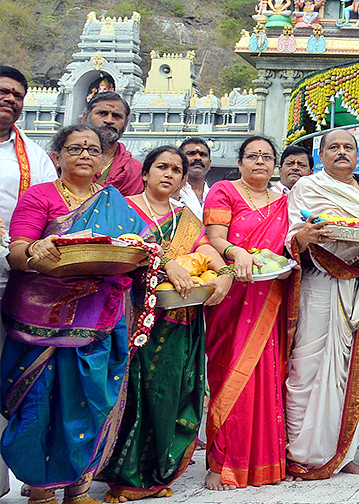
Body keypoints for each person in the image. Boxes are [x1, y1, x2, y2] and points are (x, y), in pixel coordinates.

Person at [1, 124, 147, 504]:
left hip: (101, 317)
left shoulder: (116, 201)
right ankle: (42, 489)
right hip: (42, 318)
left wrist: (145, 253)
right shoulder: (40, 197)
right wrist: (38, 249)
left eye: (93, 149)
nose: (85, 154)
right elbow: (17, 254)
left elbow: (141, 249)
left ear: (103, 159)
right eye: (75, 148)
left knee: (94, 399)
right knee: (40, 401)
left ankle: (79, 488)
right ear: (58, 155)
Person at [100, 146, 234, 502]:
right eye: (162, 166)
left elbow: (205, 248)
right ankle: (123, 475)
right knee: (132, 392)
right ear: (145, 173)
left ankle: (156, 474)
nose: (170, 174)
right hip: (131, 315)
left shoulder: (186, 217)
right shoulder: (123, 207)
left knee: (172, 392)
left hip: (180, 316)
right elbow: (114, 248)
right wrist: (161, 263)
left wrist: (223, 273)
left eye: (177, 169)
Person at [284, 129, 359, 479]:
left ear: (358, 154)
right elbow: (290, 234)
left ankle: (341, 452)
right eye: (334, 147)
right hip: (319, 283)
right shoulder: (307, 187)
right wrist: (302, 238)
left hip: (358, 285)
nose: (342, 152)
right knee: (308, 367)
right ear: (321, 154)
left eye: (348, 147)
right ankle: (299, 450)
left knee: (348, 370)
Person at [202, 136, 296, 490]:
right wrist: (236, 252)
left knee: (269, 373)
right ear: (240, 162)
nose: (260, 161)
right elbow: (214, 238)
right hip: (233, 294)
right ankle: (222, 461)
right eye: (252, 156)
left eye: (267, 156)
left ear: (275, 165)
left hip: (271, 294)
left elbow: (289, 245)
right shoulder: (225, 191)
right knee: (228, 371)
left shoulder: (284, 201)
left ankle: (265, 462)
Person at [0, 66, 55, 498]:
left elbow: (44, 216)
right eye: (3, 91)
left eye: (18, 95)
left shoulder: (34, 156)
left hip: (10, 275)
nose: (11, 99)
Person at [86, 91, 143, 196]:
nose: (109, 120)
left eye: (116, 116)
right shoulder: (65, 159)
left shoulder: (135, 169)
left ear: (125, 125)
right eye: (102, 113)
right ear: (86, 118)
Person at [178, 137, 212, 218]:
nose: (198, 158)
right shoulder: (171, 193)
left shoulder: (215, 195)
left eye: (203, 155)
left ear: (209, 164)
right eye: (191, 153)